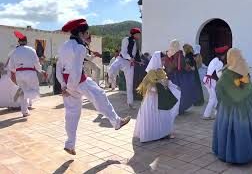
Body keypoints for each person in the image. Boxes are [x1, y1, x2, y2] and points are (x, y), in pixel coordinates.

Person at [56, 19, 131, 155]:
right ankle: (116, 122)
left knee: (71, 114)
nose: (88, 34)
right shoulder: (79, 47)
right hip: (78, 81)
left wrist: (63, 86)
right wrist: (70, 88)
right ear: (81, 33)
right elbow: (77, 69)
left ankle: (70, 144)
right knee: (100, 96)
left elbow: (59, 67)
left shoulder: (65, 45)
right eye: (87, 32)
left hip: (68, 82)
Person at [213, 48, 252, 164]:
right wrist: (247, 88)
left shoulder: (240, 70)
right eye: (239, 57)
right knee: (237, 131)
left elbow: (246, 88)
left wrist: (250, 90)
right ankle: (236, 155)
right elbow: (237, 96)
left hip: (238, 108)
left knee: (241, 131)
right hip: (233, 109)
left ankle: (241, 153)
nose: (241, 59)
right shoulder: (227, 74)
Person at [134, 51, 181, 142]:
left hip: (161, 97)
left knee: (163, 115)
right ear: (157, 60)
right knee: (153, 116)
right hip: (152, 98)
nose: (163, 62)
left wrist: (175, 87)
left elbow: (167, 82)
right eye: (162, 60)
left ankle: (163, 133)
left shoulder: (162, 71)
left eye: (164, 60)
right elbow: (146, 84)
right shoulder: (151, 72)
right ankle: (152, 135)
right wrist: (155, 89)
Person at [7, 30, 46, 117]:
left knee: (22, 93)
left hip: (19, 74)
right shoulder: (31, 50)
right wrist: (41, 70)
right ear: (26, 42)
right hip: (30, 73)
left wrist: (15, 72)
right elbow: (36, 63)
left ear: (19, 42)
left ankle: (25, 111)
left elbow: (11, 67)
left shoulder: (14, 51)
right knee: (35, 91)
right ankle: (24, 93)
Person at [108, 28, 141, 108]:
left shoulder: (136, 43)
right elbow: (123, 52)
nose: (139, 36)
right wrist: (130, 58)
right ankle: (111, 80)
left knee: (129, 84)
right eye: (138, 34)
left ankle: (130, 103)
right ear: (134, 34)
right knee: (111, 69)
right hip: (121, 59)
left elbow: (136, 55)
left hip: (129, 64)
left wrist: (139, 61)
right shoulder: (126, 40)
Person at [164, 40, 198, 114]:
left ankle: (171, 108)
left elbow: (166, 65)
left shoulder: (167, 53)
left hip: (169, 76)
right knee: (182, 93)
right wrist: (190, 68)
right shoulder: (179, 54)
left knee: (171, 93)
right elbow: (183, 65)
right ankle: (178, 109)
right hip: (178, 77)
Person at [202, 46, 228, 120]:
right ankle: (206, 115)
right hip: (211, 81)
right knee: (213, 98)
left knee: (215, 97)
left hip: (209, 80)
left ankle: (218, 114)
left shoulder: (214, 59)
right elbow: (219, 74)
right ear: (222, 55)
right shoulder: (219, 62)